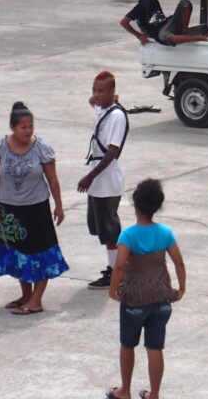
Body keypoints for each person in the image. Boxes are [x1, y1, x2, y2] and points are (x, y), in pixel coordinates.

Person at [0, 101, 68, 315]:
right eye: (23, 127)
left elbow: (52, 178)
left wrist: (59, 206)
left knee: (41, 253)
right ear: (12, 127)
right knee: (18, 253)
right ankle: (26, 295)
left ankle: (36, 300)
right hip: (9, 210)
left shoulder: (41, 148)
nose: (28, 130)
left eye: (31, 126)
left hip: (36, 209)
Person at [106, 178, 186, 399]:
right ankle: (155, 394)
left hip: (134, 300)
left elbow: (120, 265)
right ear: (157, 206)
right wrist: (181, 288)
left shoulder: (128, 235)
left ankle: (124, 391)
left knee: (127, 345)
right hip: (161, 299)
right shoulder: (165, 233)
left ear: (135, 204)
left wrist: (112, 290)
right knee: (155, 348)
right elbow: (179, 262)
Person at [78, 71, 129, 291]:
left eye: (101, 91)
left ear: (112, 92)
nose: (96, 95)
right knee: (99, 226)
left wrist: (90, 176)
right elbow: (94, 103)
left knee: (109, 229)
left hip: (106, 178)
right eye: (94, 90)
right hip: (99, 179)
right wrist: (97, 98)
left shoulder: (117, 116)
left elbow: (112, 152)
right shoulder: (103, 108)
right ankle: (116, 267)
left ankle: (117, 271)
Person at [120, 0, 208, 46]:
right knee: (165, 36)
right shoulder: (141, 5)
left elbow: (160, 19)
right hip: (160, 33)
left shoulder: (155, 1)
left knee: (186, 4)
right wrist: (139, 35)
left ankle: (183, 34)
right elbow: (124, 22)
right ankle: (195, 37)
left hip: (168, 24)